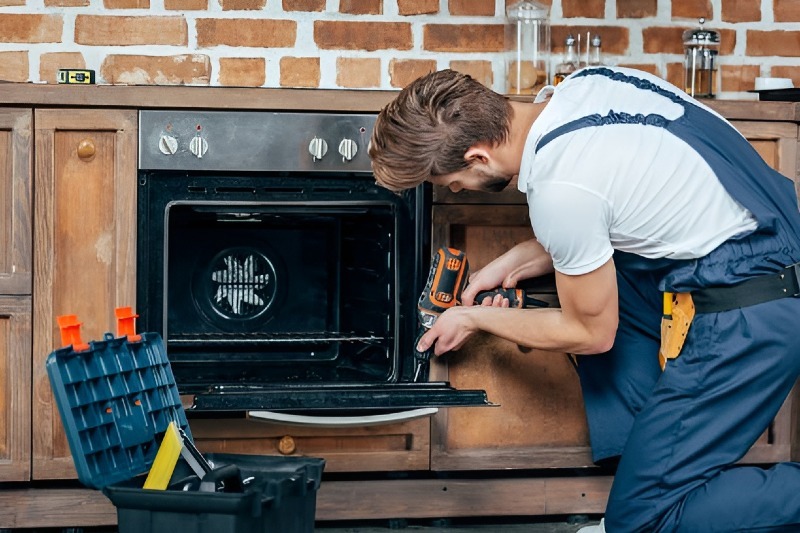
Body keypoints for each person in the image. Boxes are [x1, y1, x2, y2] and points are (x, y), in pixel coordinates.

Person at [368, 66, 800, 532]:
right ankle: (648, 461)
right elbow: (610, 208)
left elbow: (591, 333)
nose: (453, 190)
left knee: (642, 522)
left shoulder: (560, 188)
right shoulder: (585, 85)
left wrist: (474, 319)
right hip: (773, 249)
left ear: (477, 156)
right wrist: (513, 263)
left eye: (449, 180)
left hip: (751, 311)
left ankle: (650, 501)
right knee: (611, 281)